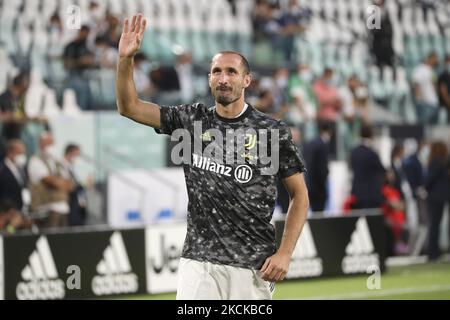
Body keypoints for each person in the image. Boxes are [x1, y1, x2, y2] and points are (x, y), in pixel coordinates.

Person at [116, 14, 309, 300]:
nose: (223, 78)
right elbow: (129, 107)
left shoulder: (272, 131)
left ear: (247, 80)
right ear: (209, 79)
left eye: (231, 71)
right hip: (199, 264)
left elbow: (300, 196)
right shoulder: (191, 121)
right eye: (216, 71)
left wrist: (284, 254)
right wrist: (125, 60)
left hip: (253, 267)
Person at [28, 132, 74, 228]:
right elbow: (51, 182)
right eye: (48, 143)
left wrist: (60, 182)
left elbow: (70, 184)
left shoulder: (57, 161)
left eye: (52, 143)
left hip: (63, 207)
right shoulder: (36, 161)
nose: (51, 146)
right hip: (45, 209)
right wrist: (61, 183)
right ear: (41, 145)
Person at [349, 125, 386, 209]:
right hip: (371, 195)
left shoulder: (354, 152)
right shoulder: (372, 154)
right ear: (371, 135)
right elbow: (381, 170)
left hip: (357, 193)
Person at [424, 141, 449, 261]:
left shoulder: (435, 162)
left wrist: (425, 188)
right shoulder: (444, 162)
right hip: (443, 196)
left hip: (434, 197)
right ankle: (435, 251)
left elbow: (430, 179)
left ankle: (432, 252)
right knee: (436, 225)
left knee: (434, 224)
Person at [302, 121, 332, 212]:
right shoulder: (322, 145)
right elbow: (321, 168)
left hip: (309, 184)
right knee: (319, 212)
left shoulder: (310, 143)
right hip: (318, 187)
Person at [61, 144, 87, 226]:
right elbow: (69, 187)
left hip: (77, 208)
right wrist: (84, 183)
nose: (78, 157)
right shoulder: (61, 167)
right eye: (77, 154)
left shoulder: (70, 167)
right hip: (70, 207)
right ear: (70, 153)